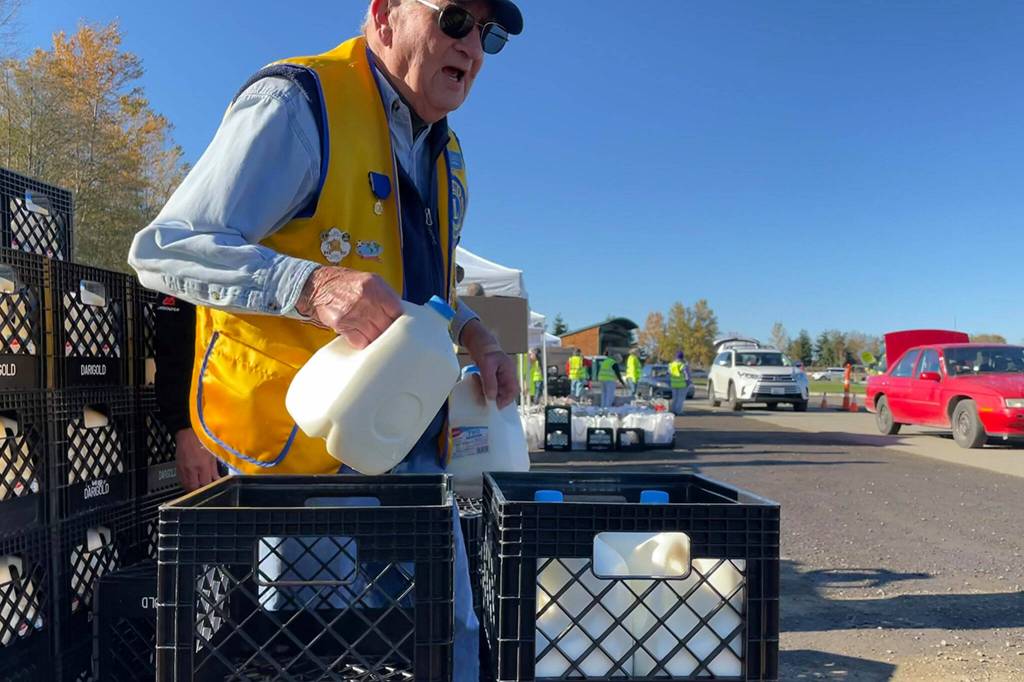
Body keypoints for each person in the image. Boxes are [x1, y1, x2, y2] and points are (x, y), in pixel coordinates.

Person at [128, 1, 524, 679]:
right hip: (306, 464)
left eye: (489, 35)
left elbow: (427, 288)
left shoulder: (448, 155)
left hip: (414, 454)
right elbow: (166, 249)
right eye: (455, 19)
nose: (473, 47)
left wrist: (476, 332)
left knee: (449, 634)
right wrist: (309, 287)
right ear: (385, 14)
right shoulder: (298, 104)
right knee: (320, 651)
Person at [668, 350, 690, 415]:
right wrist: (688, 382)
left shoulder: (671, 365)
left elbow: (669, 373)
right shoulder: (682, 365)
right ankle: (678, 411)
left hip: (673, 384)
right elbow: (686, 375)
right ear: (682, 357)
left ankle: (673, 410)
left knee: (674, 398)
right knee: (680, 399)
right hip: (682, 384)